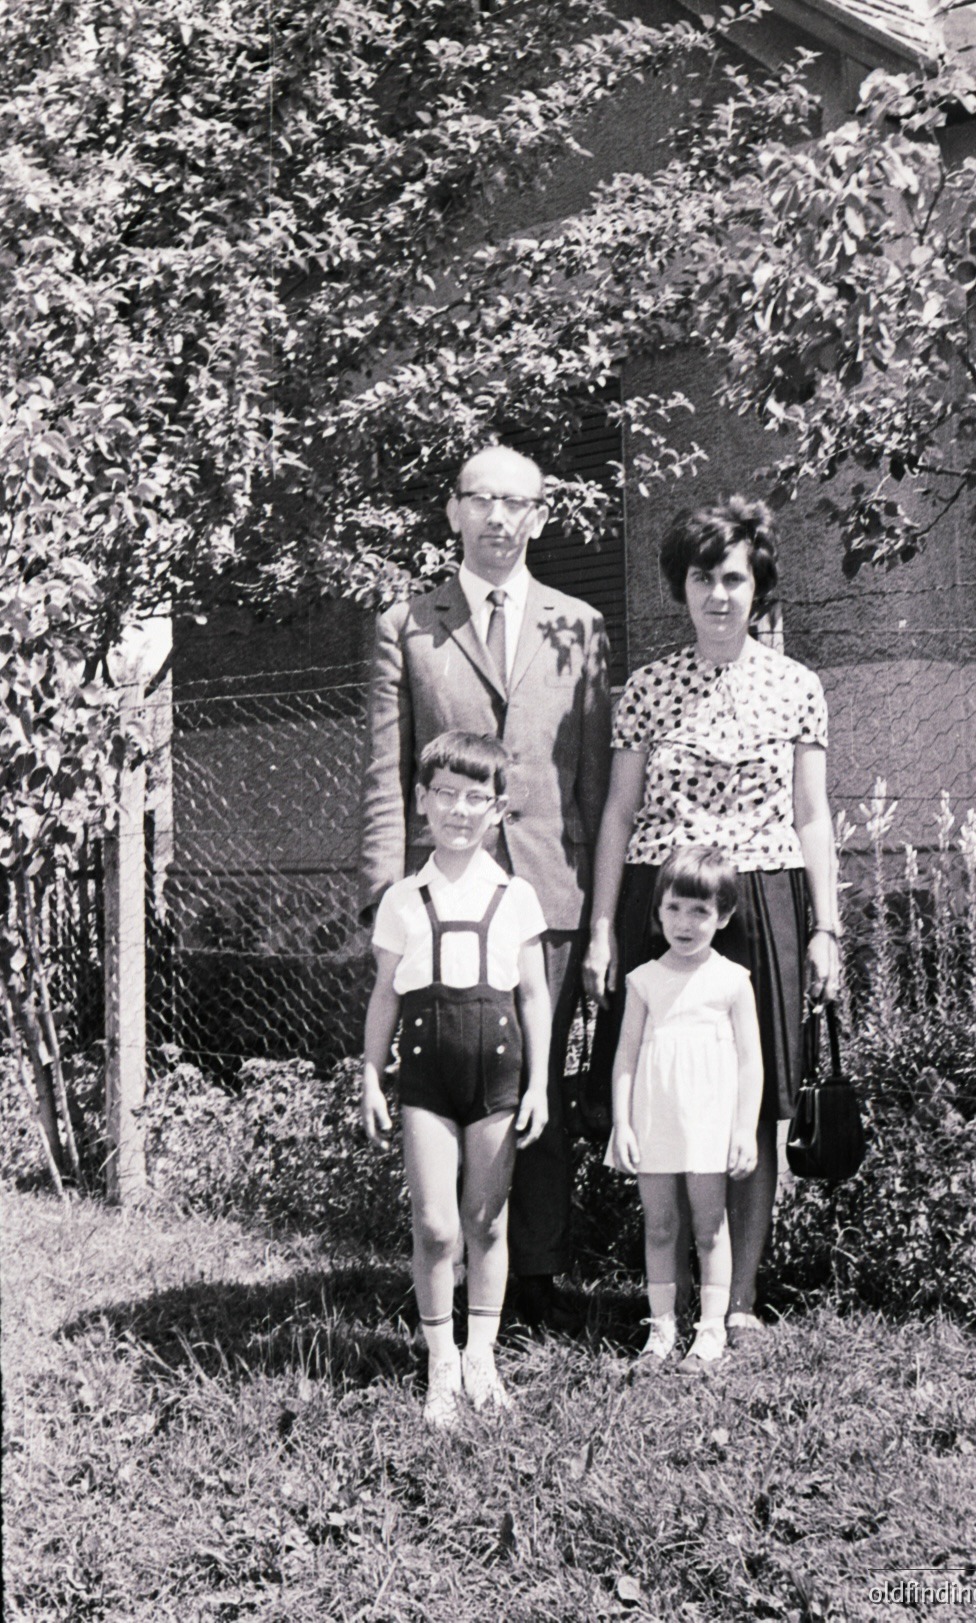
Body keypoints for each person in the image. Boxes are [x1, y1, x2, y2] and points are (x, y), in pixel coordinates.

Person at [360, 444, 611, 1329]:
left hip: (548, 894)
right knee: (444, 1077)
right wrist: (379, 904)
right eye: (482, 501)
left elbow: (591, 782)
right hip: (437, 904)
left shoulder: (577, 624)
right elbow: (388, 776)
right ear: (454, 512)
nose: (499, 519)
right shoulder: (407, 625)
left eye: (518, 503)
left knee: (536, 1082)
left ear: (540, 516)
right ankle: (446, 1270)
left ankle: (532, 1275)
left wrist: (600, 911)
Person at [583, 495, 840, 1348]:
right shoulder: (649, 688)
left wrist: (824, 927)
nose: (718, 594)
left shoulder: (797, 687)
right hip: (663, 900)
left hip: (764, 898)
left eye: (733, 577)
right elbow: (617, 815)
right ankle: (669, 1296)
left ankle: (736, 1296)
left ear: (757, 586)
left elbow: (811, 817)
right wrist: (599, 928)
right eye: (702, 578)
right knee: (661, 1082)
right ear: (681, 588)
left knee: (752, 1097)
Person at [361, 731, 551, 1427]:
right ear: (421, 801)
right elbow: (385, 993)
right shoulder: (403, 899)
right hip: (427, 1080)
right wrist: (369, 1075)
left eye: (477, 798)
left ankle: (481, 1356)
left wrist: (537, 1086)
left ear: (498, 809)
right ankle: (440, 1362)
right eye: (445, 794)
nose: (460, 810)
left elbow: (533, 994)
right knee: (437, 1225)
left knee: (485, 1220)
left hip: (497, 1075)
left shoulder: (516, 895)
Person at [606, 847, 763, 1369]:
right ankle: (661, 1330)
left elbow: (750, 1063)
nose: (685, 922)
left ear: (724, 916)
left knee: (708, 1224)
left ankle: (711, 1331)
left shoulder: (732, 981)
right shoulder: (644, 980)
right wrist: (623, 1123)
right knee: (659, 1225)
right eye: (674, 908)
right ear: (658, 912)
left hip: (708, 1123)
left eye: (700, 911)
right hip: (656, 1120)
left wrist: (743, 1130)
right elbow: (625, 1057)